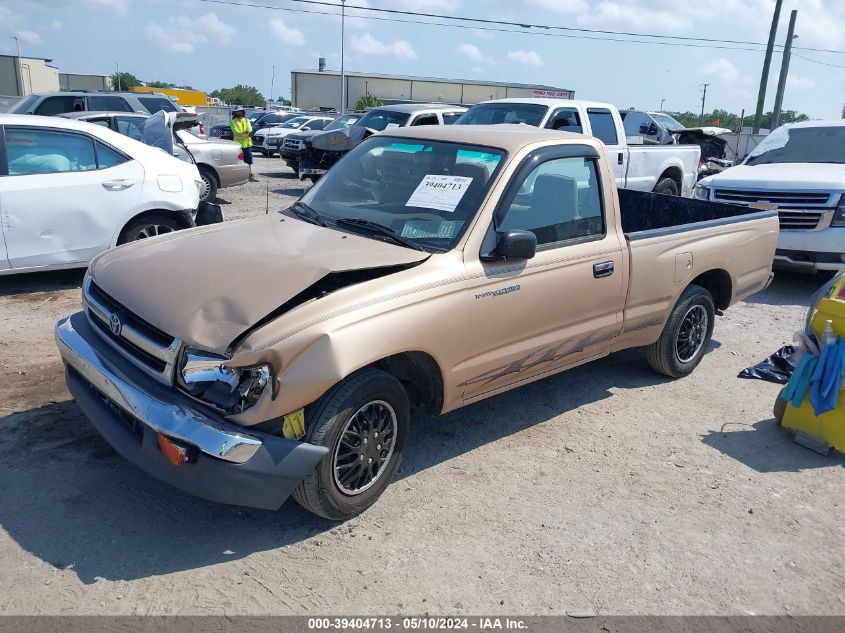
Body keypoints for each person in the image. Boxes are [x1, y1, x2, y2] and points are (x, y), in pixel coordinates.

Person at [230, 107, 259, 182]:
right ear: (235, 113)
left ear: (243, 112)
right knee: (238, 161)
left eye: (240, 111)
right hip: (238, 145)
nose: (239, 113)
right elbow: (236, 132)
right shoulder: (233, 121)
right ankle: (238, 177)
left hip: (247, 144)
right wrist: (245, 133)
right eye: (237, 112)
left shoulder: (246, 120)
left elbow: (249, 130)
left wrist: (244, 133)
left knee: (249, 160)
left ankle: (249, 175)